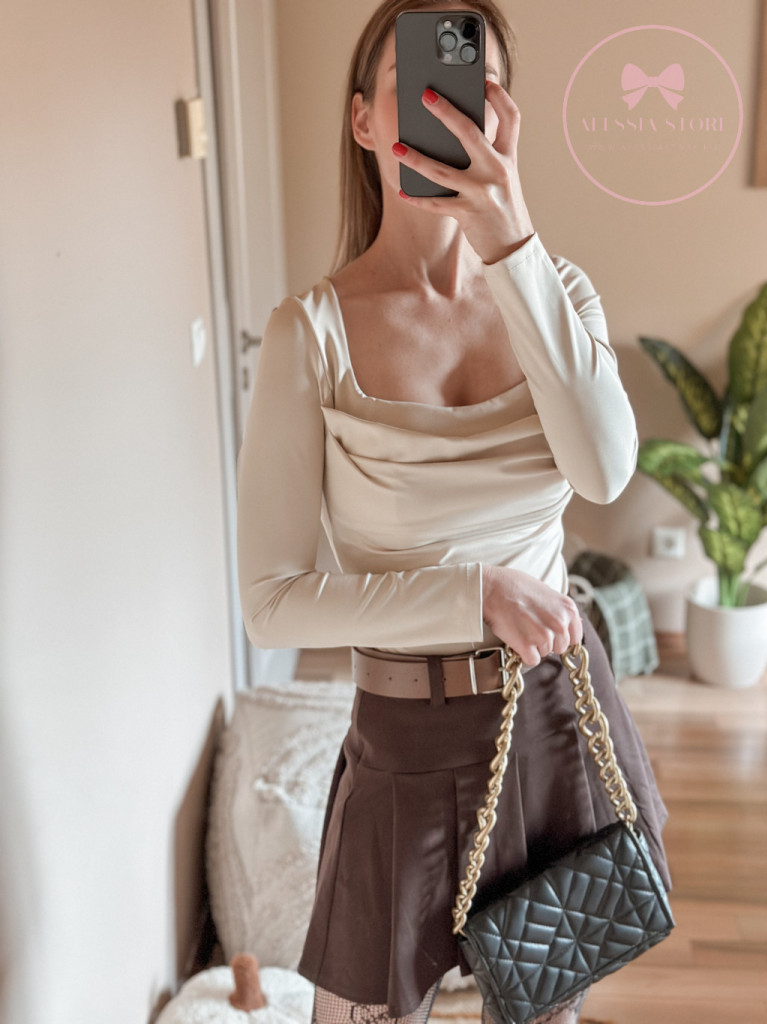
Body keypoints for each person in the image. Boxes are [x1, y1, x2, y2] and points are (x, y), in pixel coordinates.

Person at [236, 2, 671, 1023]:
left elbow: (605, 472)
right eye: (413, 85)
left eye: (474, 85)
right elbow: (271, 602)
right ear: (362, 120)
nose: (446, 107)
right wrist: (474, 593)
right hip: (405, 740)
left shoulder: (561, 293)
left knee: (544, 1005)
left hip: (552, 718)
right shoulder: (311, 333)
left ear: (504, 115)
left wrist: (511, 238)